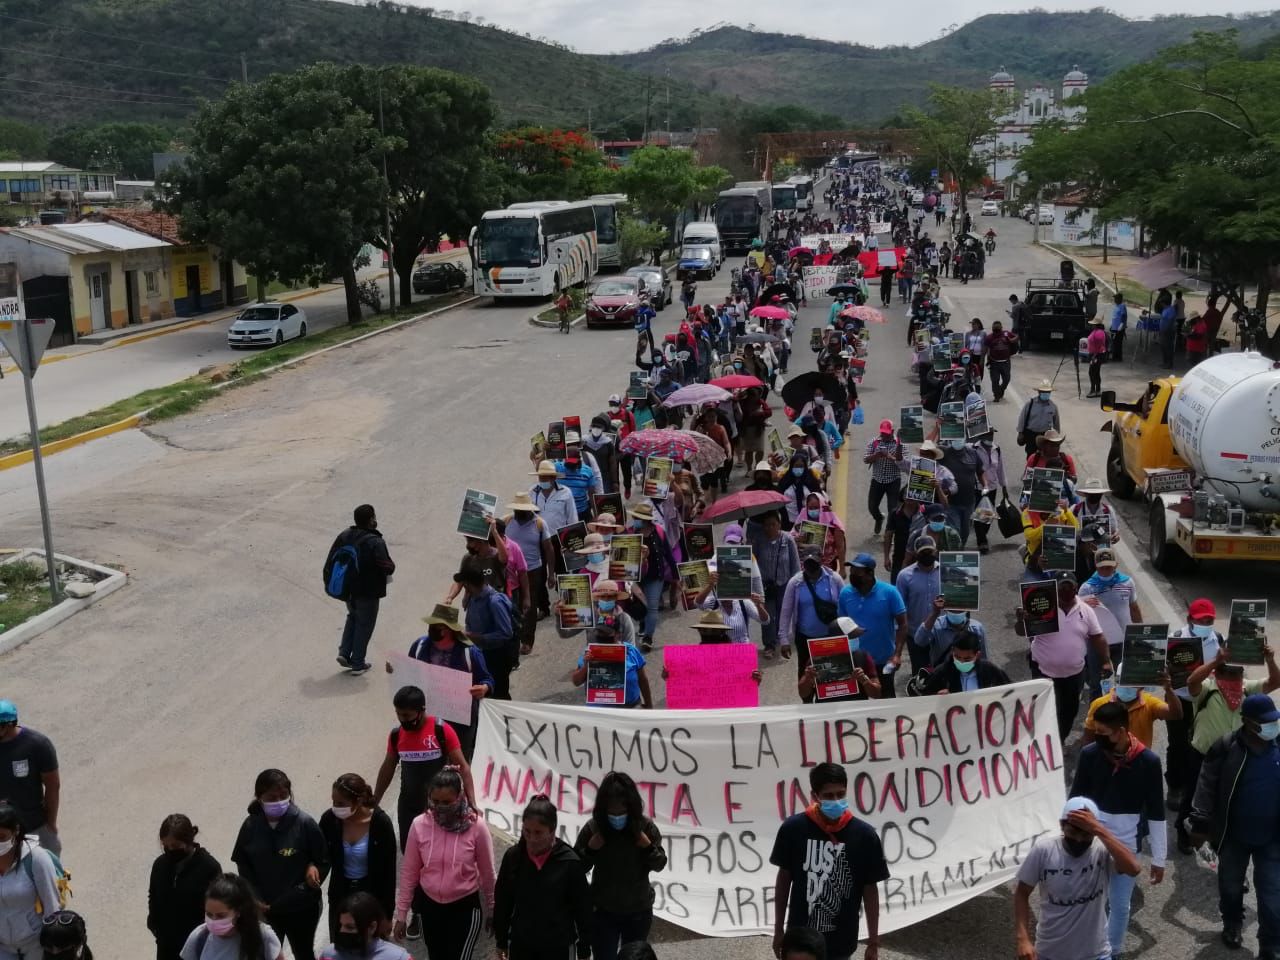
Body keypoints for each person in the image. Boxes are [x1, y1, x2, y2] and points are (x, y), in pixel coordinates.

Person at [1070, 701, 1168, 958]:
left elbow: (1157, 812)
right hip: (1090, 844)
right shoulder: (1090, 755)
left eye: (1103, 733)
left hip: (1126, 846)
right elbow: (1076, 798)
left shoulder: (1148, 762)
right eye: (1096, 731)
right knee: (1090, 902)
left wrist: (1159, 858)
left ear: (1122, 730)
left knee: (1120, 905)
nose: (1097, 737)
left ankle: (1111, 951)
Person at [1188, 692, 1280, 954]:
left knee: (1273, 896)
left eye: (1274, 721)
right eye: (1266, 722)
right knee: (1230, 886)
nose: (1273, 726)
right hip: (1233, 836)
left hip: (1273, 838)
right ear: (1248, 722)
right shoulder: (1226, 747)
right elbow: (1205, 785)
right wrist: (1200, 822)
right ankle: (1232, 923)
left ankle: (1271, 943)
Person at [770, 763, 888, 960]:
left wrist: (873, 942)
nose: (836, 800)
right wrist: (778, 930)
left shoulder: (865, 836)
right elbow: (783, 880)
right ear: (815, 795)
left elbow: (870, 890)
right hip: (799, 945)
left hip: (841, 943)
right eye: (828, 795)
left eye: (841, 794)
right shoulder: (793, 829)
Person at [1177, 644, 1280, 855]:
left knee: (1226, 800)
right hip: (1203, 755)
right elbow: (1191, 681)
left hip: (1234, 757)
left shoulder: (1247, 689)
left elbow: (1275, 682)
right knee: (1193, 798)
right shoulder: (1207, 688)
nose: (1234, 677)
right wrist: (1215, 660)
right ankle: (1184, 834)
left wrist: (1269, 660)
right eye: (1229, 672)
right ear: (1218, 672)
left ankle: (1217, 839)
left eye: (1238, 673)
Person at [1013, 797, 1141, 960]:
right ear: (1062, 826)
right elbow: (1022, 893)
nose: (1079, 840)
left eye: (1086, 834)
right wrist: (1023, 939)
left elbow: (1133, 868)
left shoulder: (1102, 849)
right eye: (1073, 832)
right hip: (1050, 953)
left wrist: (1100, 830)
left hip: (1096, 954)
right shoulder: (1044, 851)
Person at [393, 767, 494, 960]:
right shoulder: (419, 825)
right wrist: (402, 914)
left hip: (465, 909)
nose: (439, 807)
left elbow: (488, 872)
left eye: (447, 802)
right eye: (435, 801)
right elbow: (409, 873)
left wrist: (492, 907)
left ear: (460, 797)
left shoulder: (476, 827)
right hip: (430, 909)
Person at [231, 769, 329, 960]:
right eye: (271, 797)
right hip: (264, 910)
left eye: (283, 796)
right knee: (265, 955)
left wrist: (312, 870)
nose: (278, 801)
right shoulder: (251, 826)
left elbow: (323, 861)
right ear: (259, 798)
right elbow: (243, 864)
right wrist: (254, 897)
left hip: (301, 909)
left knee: (303, 953)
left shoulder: (304, 824)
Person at [373, 686, 476, 856]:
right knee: (411, 853)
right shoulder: (396, 735)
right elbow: (388, 767)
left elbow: (463, 767)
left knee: (439, 856)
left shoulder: (441, 730)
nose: (402, 719)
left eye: (406, 715)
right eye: (398, 714)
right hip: (409, 807)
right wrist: (375, 799)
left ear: (421, 711)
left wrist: (472, 801)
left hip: (440, 808)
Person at [574, 772, 667, 960]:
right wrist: (591, 850)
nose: (617, 817)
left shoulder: (645, 828)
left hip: (638, 911)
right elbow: (576, 869)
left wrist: (647, 847)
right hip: (603, 912)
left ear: (631, 808)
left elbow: (660, 864)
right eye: (612, 813)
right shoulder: (594, 828)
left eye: (621, 813)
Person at [1015, 574, 1112, 744]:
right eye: (1062, 589)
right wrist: (1020, 620)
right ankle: (1042, 744)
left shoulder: (1085, 610)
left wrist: (1105, 660)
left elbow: (1098, 637)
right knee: (1044, 711)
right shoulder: (1042, 608)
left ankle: (1057, 742)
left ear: (1076, 589)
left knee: (1069, 711)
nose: (1066, 592)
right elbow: (1022, 632)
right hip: (1044, 672)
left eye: (1070, 588)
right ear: (1055, 590)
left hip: (1074, 675)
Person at [493, 796, 592, 960]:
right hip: (521, 946)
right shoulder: (514, 857)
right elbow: (503, 902)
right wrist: (501, 942)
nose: (532, 839)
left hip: (558, 948)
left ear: (552, 831)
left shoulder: (569, 863)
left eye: (538, 833)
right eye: (527, 832)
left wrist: (584, 949)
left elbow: (583, 911)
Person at [401, 604, 493, 759]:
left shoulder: (470, 652)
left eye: (437, 627)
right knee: (432, 758)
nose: (431, 629)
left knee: (459, 759)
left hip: (461, 719)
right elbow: (411, 670)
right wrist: (396, 670)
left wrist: (484, 688)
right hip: (429, 715)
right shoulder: (420, 646)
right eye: (431, 625)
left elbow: (487, 679)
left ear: (449, 630)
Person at [1165, 597, 1225, 815]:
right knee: (1177, 744)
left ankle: (1196, 786)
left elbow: (1225, 668)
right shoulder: (1176, 638)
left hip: (1204, 700)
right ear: (1190, 619)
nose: (1206, 624)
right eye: (1201, 620)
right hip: (1180, 699)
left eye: (1209, 620)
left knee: (1199, 746)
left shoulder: (1218, 639)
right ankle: (1174, 786)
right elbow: (1165, 669)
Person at [320, 774, 397, 943]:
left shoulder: (380, 824)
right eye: (333, 802)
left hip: (372, 897)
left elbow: (389, 873)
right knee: (341, 946)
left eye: (341, 804)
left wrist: (386, 916)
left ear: (359, 800)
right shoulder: (329, 821)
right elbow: (319, 855)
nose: (335, 807)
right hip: (341, 895)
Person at [324, 504, 396, 676]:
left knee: (353, 617)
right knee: (364, 624)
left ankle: (344, 653)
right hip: (367, 593)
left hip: (347, 591)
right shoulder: (375, 541)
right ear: (371, 519)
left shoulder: (344, 535)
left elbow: (330, 562)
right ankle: (357, 663)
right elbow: (387, 567)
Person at [148, 814, 223, 960]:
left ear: (188, 841)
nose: (170, 850)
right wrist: (154, 924)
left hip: (197, 946)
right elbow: (153, 896)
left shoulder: (209, 867)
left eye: (175, 846)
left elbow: (218, 906)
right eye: (165, 846)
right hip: (166, 945)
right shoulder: (160, 865)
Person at [837, 554, 908, 698]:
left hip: (883, 660)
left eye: (858, 572)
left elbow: (903, 624)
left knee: (886, 700)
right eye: (852, 571)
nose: (853, 575)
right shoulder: (845, 593)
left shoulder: (890, 592)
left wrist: (897, 655)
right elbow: (841, 625)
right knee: (857, 704)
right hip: (856, 661)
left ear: (870, 573)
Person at [0, 802, 62, 960]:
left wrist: (53, 949)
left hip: (37, 947)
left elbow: (52, 909)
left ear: (16, 831)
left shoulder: (37, 859)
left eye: (1, 837)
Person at [0, 701, 60, 856]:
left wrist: (50, 823)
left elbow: (53, 786)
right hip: (3, 832)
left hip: (35, 827)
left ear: (8, 725)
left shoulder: (37, 745)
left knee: (51, 872)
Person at [180, 873, 284, 960]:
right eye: (209, 914)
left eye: (221, 916)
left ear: (238, 911)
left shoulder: (262, 935)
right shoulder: (199, 936)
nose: (213, 921)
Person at [454, 567, 516, 700]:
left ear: (470, 584)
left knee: (499, 695)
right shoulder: (473, 597)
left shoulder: (494, 602)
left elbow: (506, 633)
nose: (464, 587)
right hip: (481, 653)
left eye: (465, 584)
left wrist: (475, 637)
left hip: (496, 655)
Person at [1083, 667, 1180, 751]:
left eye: (1133, 682)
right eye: (1125, 680)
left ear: (1142, 686)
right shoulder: (1099, 704)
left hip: (1138, 762)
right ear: (1117, 680)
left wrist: (1168, 689)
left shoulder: (1149, 703)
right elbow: (1088, 738)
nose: (1128, 685)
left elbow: (1175, 714)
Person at [779, 548, 846, 667]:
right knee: (806, 676)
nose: (811, 567)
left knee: (829, 675)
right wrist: (784, 639)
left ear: (821, 561)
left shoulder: (835, 579)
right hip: (805, 639)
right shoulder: (795, 583)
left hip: (830, 637)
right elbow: (786, 612)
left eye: (814, 563)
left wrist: (848, 634)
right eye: (807, 563)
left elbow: (846, 606)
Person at [504, 492, 555, 645]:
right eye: (516, 510)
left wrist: (551, 574)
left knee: (530, 604)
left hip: (533, 570)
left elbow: (549, 549)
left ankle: (527, 641)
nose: (518, 513)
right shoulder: (507, 521)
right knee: (513, 604)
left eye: (521, 511)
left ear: (528, 510)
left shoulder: (539, 524)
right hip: (511, 571)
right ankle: (516, 635)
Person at [571, 620, 653, 709]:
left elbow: (642, 679)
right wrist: (587, 666)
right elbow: (576, 682)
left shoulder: (631, 651)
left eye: (607, 635)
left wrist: (649, 705)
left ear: (618, 634)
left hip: (631, 707)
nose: (603, 637)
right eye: (599, 634)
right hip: (600, 711)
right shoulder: (588, 652)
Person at [798, 617, 881, 703]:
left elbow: (877, 694)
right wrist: (808, 679)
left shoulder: (863, 657)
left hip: (856, 707)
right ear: (837, 639)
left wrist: (865, 680)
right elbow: (803, 694)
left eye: (856, 636)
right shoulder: (816, 660)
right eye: (852, 637)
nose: (856, 639)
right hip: (827, 709)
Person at [893, 539, 942, 673]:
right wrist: (898, 647)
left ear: (935, 551)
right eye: (923, 552)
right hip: (915, 634)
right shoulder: (904, 576)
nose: (927, 555)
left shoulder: (946, 573)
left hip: (941, 633)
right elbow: (899, 610)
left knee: (942, 673)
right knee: (920, 674)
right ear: (916, 553)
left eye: (929, 551)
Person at [322, 892, 408, 960]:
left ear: (372, 927)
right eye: (340, 925)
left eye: (350, 927)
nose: (342, 931)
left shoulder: (399, 958)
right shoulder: (328, 955)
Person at [919, 630, 1010, 693]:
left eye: (967, 659)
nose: (961, 662)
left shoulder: (990, 670)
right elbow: (926, 701)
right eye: (957, 657)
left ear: (977, 655)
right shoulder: (941, 673)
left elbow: (1010, 691)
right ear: (952, 652)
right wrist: (938, 698)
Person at [864, 421, 904, 535]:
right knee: (872, 507)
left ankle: (889, 533)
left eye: (887, 433)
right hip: (877, 479)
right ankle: (879, 518)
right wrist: (876, 455)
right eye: (882, 433)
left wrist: (888, 456)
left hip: (893, 480)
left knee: (892, 509)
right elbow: (865, 459)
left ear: (892, 431)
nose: (884, 436)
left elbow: (903, 463)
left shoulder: (899, 444)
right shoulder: (874, 442)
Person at [1016, 381, 1059, 456]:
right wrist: (1020, 433)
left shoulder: (1053, 406)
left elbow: (1056, 423)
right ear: (1039, 392)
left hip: (1045, 435)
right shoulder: (1030, 404)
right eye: (1043, 392)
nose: (1046, 394)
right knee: (1031, 455)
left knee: (1044, 456)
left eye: (1048, 392)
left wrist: (1057, 438)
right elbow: (1022, 418)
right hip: (1031, 434)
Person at [1085, 317, 1108, 398]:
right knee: (1096, 372)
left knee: (1092, 372)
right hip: (1095, 354)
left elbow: (1099, 346)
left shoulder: (1099, 333)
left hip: (1096, 355)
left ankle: (1093, 390)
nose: (1091, 325)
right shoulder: (1096, 331)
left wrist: (1094, 356)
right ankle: (1097, 390)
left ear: (1096, 325)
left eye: (1093, 324)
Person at [1158, 295, 1178, 368]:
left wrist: (1165, 330)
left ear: (1164, 303)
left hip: (1168, 332)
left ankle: (1169, 363)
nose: (1161, 305)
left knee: (1168, 347)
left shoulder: (1171, 310)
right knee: (1163, 347)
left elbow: (1170, 321)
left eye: (1161, 303)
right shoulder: (1165, 310)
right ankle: (1165, 362)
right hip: (1163, 331)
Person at [1109, 293, 1128, 362]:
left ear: (1120, 299)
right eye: (1114, 298)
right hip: (1114, 327)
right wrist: (1111, 324)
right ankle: (1114, 356)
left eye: (1116, 298)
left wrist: (1122, 325)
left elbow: (1123, 316)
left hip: (1119, 328)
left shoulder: (1122, 306)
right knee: (1113, 342)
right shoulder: (1116, 306)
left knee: (1118, 343)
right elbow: (1114, 316)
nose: (1115, 299)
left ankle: (1118, 357)